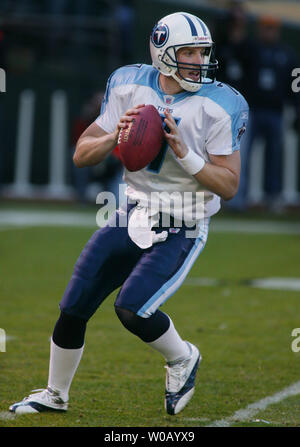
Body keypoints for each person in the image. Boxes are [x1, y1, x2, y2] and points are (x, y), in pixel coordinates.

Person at [9, 12, 248, 416]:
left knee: (132, 308)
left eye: (202, 51)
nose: (198, 60)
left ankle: (183, 357)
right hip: (131, 212)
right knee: (73, 306)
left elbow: (228, 184)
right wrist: (113, 138)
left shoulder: (221, 103)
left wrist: (184, 154)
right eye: (187, 51)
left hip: (184, 221)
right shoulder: (128, 83)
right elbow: (82, 155)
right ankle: (54, 394)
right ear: (162, 53)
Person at [229, 15, 300, 211]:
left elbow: (295, 84)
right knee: (242, 155)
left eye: (272, 28)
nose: (269, 32)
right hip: (251, 111)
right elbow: (236, 68)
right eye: (266, 28)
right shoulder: (251, 50)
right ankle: (239, 198)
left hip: (276, 112)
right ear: (260, 29)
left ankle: (273, 197)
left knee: (274, 156)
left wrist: (296, 109)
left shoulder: (286, 54)